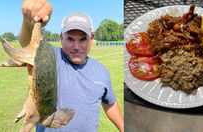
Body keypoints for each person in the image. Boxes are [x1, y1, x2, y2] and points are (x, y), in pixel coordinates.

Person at [19, 0, 124, 132]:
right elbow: (28, 42)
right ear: (61, 38)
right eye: (70, 39)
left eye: (82, 39)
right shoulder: (50, 57)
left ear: (92, 38)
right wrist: (29, 22)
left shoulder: (101, 71)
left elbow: (110, 104)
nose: (76, 47)